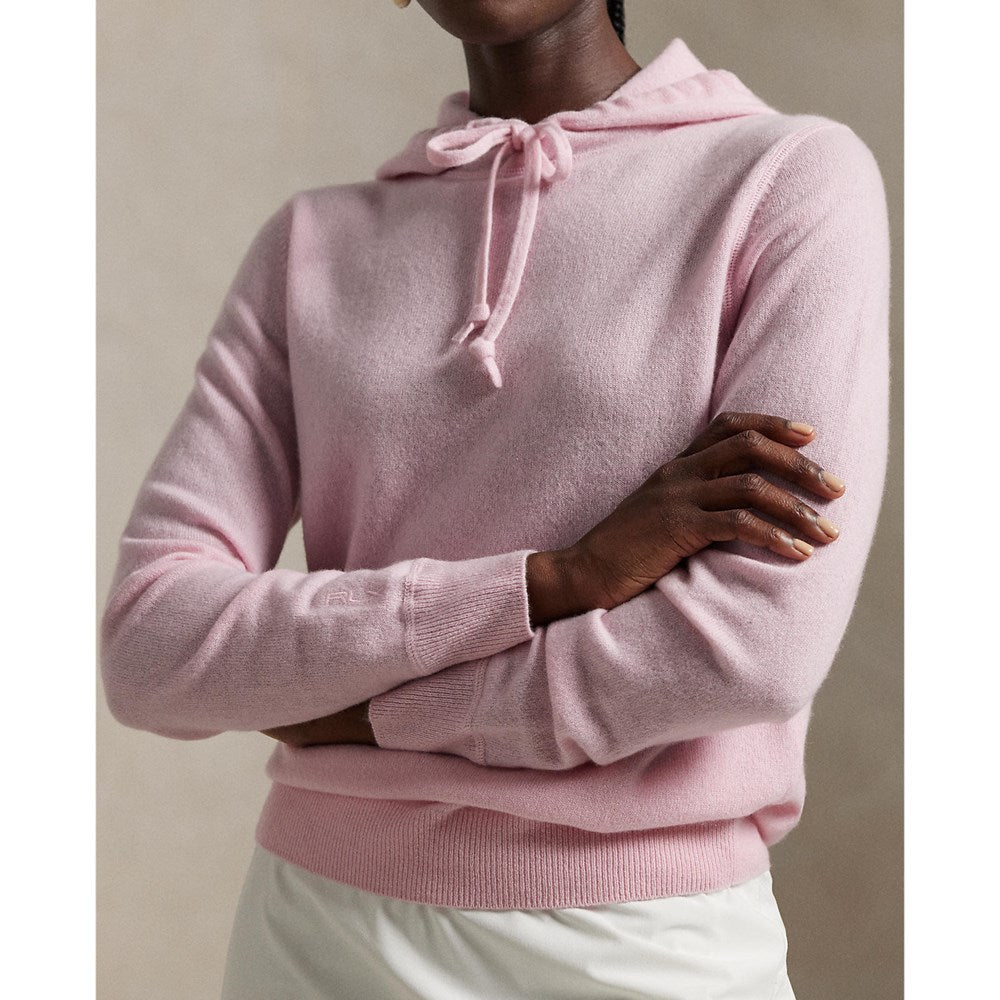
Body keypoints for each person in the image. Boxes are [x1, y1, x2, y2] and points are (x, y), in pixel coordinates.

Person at [99, 1, 890, 997]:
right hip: (316, 934)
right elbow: (153, 648)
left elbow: (747, 654)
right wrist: (555, 579)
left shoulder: (784, 178)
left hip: (646, 942)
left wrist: (368, 717)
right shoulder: (311, 245)